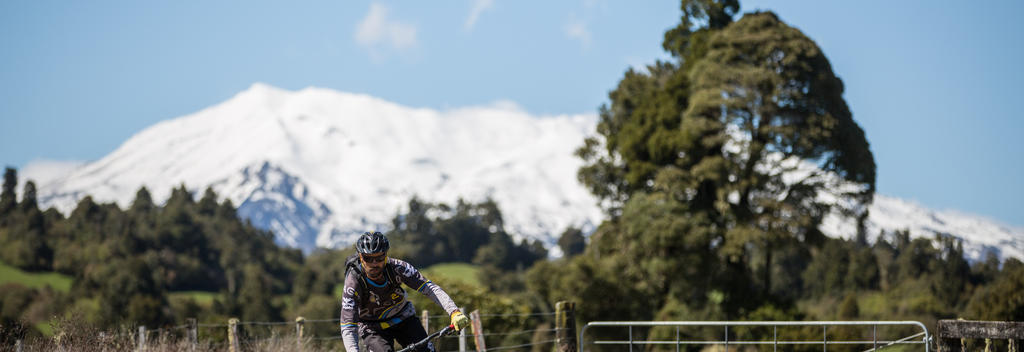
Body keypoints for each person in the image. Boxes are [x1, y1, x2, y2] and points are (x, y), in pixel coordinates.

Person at [340, 231, 470, 352]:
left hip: (404, 318)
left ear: (386, 256)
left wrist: (454, 312)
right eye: (368, 258)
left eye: (379, 258)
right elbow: (348, 325)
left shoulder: (398, 267)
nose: (374, 263)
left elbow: (430, 288)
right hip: (373, 328)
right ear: (361, 257)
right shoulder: (353, 281)